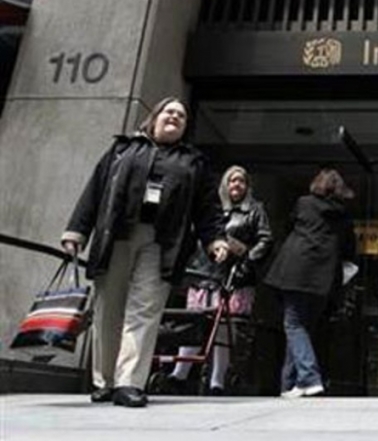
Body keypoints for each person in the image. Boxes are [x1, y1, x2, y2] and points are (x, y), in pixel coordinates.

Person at [61, 97, 228, 408]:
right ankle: (106, 381)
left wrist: (215, 239)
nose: (176, 117)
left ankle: (129, 382)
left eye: (182, 115)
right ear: (155, 117)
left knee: (145, 309)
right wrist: (77, 231)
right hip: (117, 236)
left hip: (162, 243)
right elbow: (94, 189)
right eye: (170, 112)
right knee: (109, 307)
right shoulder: (123, 149)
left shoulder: (193, 161)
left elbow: (207, 207)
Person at [168, 165, 272, 395]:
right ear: (225, 184)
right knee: (194, 324)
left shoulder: (255, 210)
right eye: (232, 180)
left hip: (233, 276)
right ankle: (179, 373)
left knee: (223, 329)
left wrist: (246, 258)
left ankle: (217, 381)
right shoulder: (212, 208)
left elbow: (265, 241)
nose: (237, 185)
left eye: (241, 181)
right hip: (204, 272)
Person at [263, 168, 356, 398]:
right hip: (324, 279)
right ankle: (289, 384)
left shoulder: (304, 204)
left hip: (296, 271)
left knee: (293, 325)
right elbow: (349, 249)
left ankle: (309, 378)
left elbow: (288, 228)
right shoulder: (344, 215)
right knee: (302, 328)